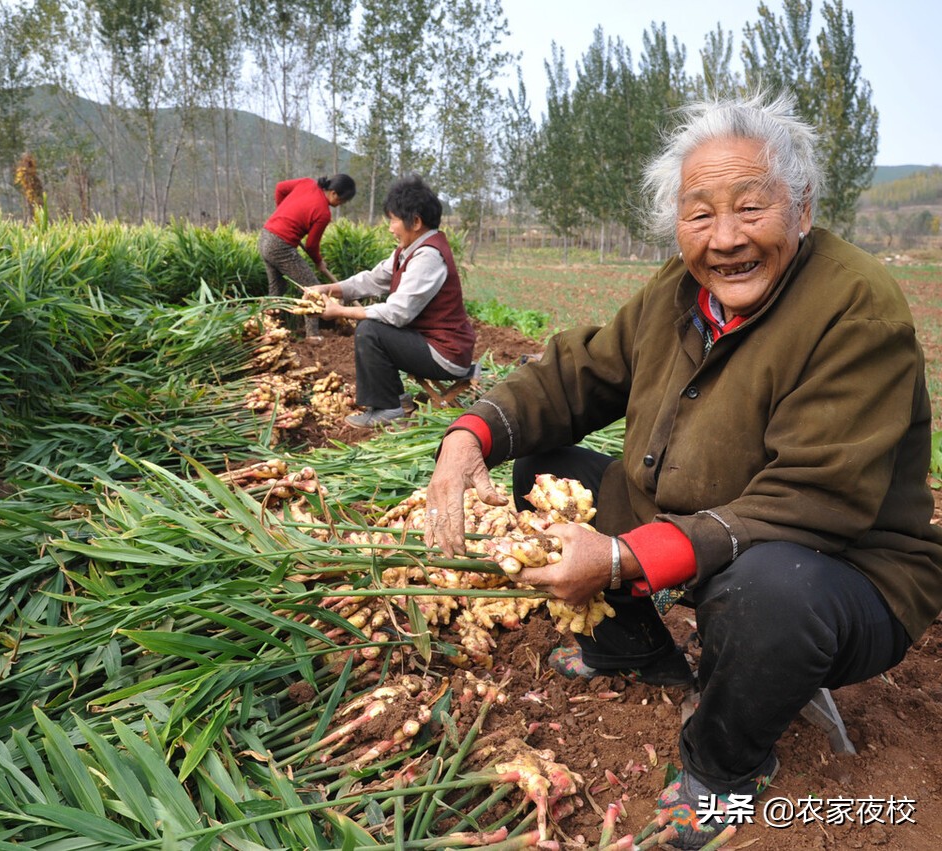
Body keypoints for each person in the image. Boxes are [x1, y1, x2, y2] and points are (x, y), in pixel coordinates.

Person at [422, 92, 942, 849]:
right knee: (544, 466)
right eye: (701, 214)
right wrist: (470, 435)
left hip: (839, 572)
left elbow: (811, 499)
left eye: (750, 208)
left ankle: (727, 769)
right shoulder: (679, 293)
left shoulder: (855, 308)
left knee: (770, 591)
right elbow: (573, 378)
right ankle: (633, 648)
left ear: (801, 208)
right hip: (702, 536)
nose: (725, 238)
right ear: (678, 223)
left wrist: (624, 556)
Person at [307, 174, 476, 429]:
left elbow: (398, 312)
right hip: (431, 343)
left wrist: (339, 311)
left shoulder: (428, 257)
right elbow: (372, 280)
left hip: (446, 353)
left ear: (415, 222)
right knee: (372, 326)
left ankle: (388, 408)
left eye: (394, 220)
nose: (390, 228)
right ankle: (396, 399)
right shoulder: (408, 251)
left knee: (370, 330)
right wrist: (329, 288)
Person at [260, 173, 356, 340]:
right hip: (280, 246)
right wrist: (319, 262)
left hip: (265, 237)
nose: (339, 205)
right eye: (341, 201)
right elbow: (311, 245)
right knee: (312, 288)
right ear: (333, 193)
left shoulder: (306, 183)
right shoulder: (323, 213)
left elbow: (280, 187)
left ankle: (266, 330)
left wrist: (282, 211)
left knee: (277, 289)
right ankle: (312, 336)